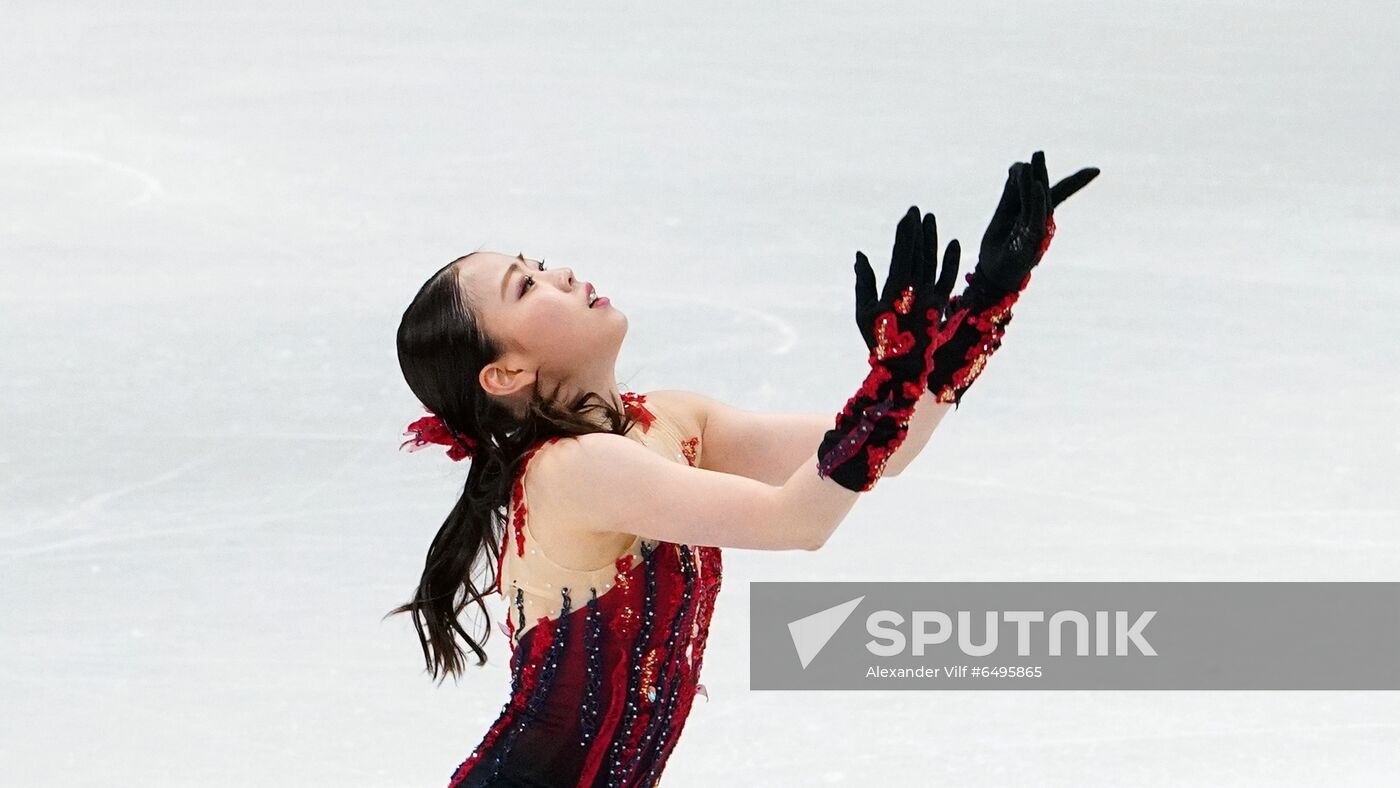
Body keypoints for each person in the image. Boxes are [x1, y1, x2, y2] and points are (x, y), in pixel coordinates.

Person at [389, 151, 1098, 787]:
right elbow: (799, 520)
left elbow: (891, 450)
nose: (562, 273)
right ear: (506, 371)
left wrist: (979, 309)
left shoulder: (668, 423)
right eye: (527, 286)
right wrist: (889, 381)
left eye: (538, 263)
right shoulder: (573, 468)